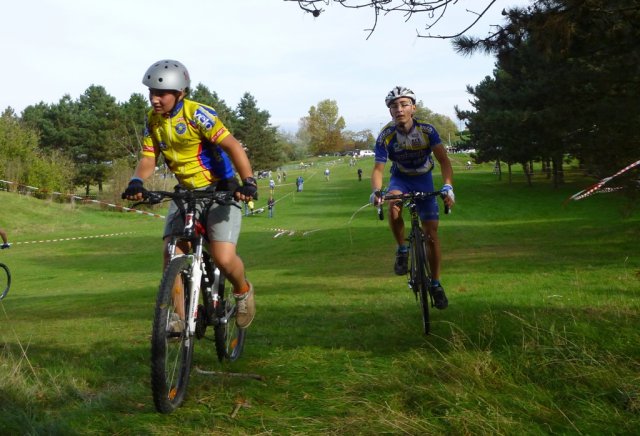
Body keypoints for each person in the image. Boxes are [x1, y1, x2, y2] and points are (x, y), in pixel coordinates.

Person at [122, 59, 257, 329]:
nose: (154, 99)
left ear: (180, 93)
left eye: (161, 94)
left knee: (223, 257)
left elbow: (232, 146)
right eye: (151, 92)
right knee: (171, 251)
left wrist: (249, 182)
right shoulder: (153, 121)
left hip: (220, 189)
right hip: (186, 193)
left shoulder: (198, 114)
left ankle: (243, 291)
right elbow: (149, 158)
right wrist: (137, 181)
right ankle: (180, 319)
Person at [370, 86, 455, 310]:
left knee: (432, 235)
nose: (399, 109)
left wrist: (448, 187)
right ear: (390, 112)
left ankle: (435, 284)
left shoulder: (428, 131)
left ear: (413, 108)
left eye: (404, 104)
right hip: (401, 179)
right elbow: (378, 169)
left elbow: (445, 161)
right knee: (394, 204)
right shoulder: (386, 136)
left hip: (424, 178)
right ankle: (402, 249)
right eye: (394, 106)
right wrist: (377, 191)